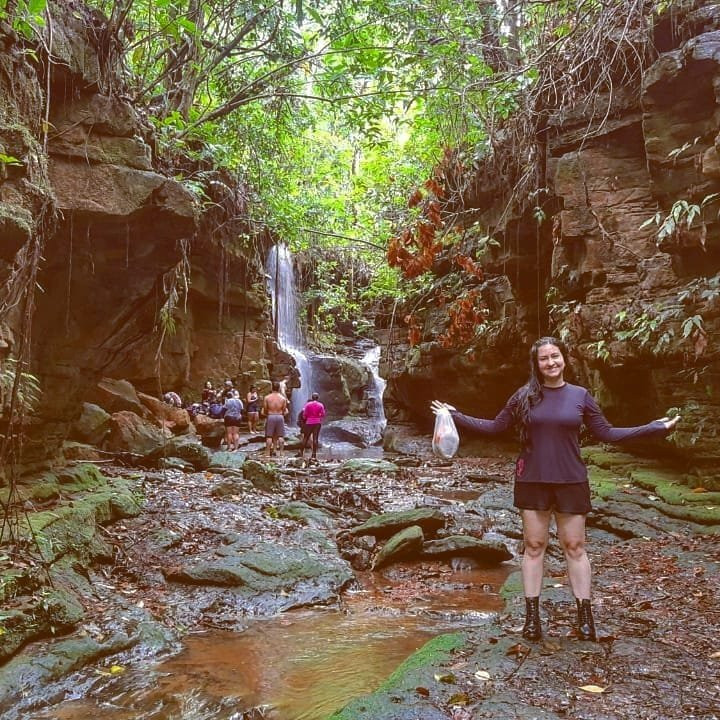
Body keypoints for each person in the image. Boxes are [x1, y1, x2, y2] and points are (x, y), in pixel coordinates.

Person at [431, 336, 680, 642]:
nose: (551, 363)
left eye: (555, 357)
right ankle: (532, 619)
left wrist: (653, 428)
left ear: (564, 359)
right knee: (534, 547)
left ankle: (585, 618)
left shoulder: (580, 395)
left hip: (571, 480)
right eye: (544, 359)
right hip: (533, 480)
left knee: (574, 547)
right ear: (536, 364)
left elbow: (608, 433)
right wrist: (453, 415)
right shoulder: (524, 396)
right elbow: (495, 427)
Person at [262, 381, 289, 457]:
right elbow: (284, 410)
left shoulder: (267, 397)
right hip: (280, 416)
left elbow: (265, 408)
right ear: (279, 388)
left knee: (269, 436)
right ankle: (281, 453)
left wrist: (268, 413)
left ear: (272, 387)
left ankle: (267, 453)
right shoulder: (283, 398)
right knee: (280, 436)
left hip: (271, 416)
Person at [299, 392, 326, 463]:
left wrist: (308, 417)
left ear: (312, 397)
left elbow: (304, 415)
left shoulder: (308, 405)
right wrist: (318, 416)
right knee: (315, 438)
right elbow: (323, 414)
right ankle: (314, 454)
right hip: (317, 423)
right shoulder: (320, 405)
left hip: (309, 422)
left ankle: (301, 452)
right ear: (317, 398)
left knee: (306, 437)